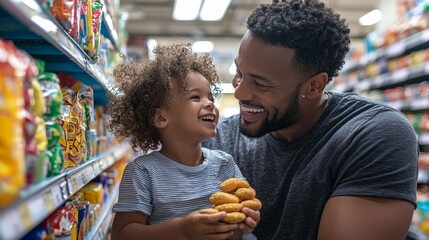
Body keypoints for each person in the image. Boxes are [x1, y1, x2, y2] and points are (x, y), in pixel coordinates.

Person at [202, 0, 419, 239]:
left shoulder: (372, 134)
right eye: (239, 73)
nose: (240, 92)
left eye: (261, 84)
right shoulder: (218, 140)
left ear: (315, 86)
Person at [108, 43, 260, 240]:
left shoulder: (224, 164)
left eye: (210, 96)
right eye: (195, 97)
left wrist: (246, 219)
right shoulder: (144, 172)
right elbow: (122, 234)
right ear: (161, 118)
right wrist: (182, 230)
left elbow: (240, 218)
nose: (210, 103)